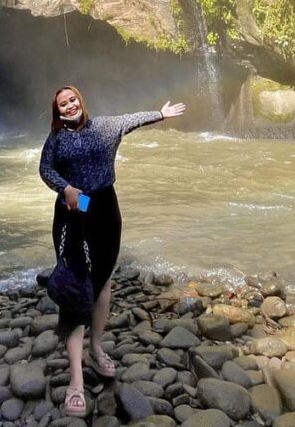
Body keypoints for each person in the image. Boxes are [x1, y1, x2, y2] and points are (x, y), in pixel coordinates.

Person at [39, 85, 186, 417]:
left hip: (104, 207)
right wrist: (66, 187)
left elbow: (132, 119)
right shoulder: (57, 139)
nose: (70, 105)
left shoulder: (105, 126)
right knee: (76, 287)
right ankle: (76, 380)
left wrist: (160, 115)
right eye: (63, 103)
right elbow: (45, 170)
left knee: (103, 281)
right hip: (73, 209)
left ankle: (96, 347)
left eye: (73, 99)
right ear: (58, 111)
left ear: (81, 101)